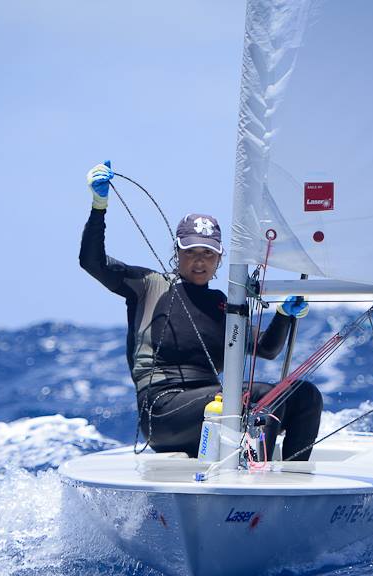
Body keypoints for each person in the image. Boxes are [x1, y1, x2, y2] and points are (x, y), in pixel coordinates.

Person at [79, 160, 322, 460]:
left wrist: (284, 315)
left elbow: (267, 349)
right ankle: (258, 475)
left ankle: (292, 478)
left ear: (219, 258)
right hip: (163, 414)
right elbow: (93, 262)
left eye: (208, 253)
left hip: (216, 407)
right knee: (254, 398)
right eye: (191, 252)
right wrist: (99, 206)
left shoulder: (222, 304)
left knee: (305, 396)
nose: (199, 261)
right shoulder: (149, 286)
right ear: (177, 252)